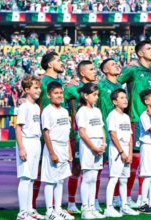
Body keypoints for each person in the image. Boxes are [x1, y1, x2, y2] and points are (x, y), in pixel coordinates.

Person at [117, 40, 151, 207]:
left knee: (148, 161)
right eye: (148, 48)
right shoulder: (133, 69)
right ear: (140, 53)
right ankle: (122, 197)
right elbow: (116, 82)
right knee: (135, 160)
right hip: (136, 119)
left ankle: (142, 198)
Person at [33, 52, 65, 211]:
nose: (62, 62)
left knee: (57, 173)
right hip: (44, 132)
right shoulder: (42, 81)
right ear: (50, 64)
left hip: (59, 133)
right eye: (58, 60)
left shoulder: (58, 82)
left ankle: (56, 209)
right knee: (38, 171)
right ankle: (31, 208)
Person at [66, 60, 98, 213]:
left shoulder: (97, 89)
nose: (95, 71)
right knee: (77, 168)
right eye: (91, 69)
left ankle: (93, 202)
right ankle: (71, 202)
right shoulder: (73, 89)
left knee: (94, 169)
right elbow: (58, 95)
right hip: (79, 135)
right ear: (82, 72)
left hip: (96, 135)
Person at [40, 81, 74, 220]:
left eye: (61, 93)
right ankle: (49, 211)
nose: (59, 95)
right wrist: (52, 152)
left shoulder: (65, 111)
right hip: (53, 147)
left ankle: (58, 208)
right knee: (50, 180)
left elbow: (66, 132)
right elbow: (46, 133)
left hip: (63, 148)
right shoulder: (47, 111)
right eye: (56, 93)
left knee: (60, 180)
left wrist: (69, 150)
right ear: (49, 95)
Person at [105, 89, 139, 217]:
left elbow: (130, 137)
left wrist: (129, 154)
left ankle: (124, 205)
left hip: (126, 152)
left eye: (125, 97)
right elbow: (113, 135)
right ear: (114, 101)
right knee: (114, 178)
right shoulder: (112, 115)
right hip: (117, 151)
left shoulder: (126, 117)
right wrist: (122, 152)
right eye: (121, 97)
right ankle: (109, 207)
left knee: (124, 180)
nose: (125, 100)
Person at [75, 83, 106, 219]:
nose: (97, 97)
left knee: (94, 178)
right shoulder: (82, 111)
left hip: (99, 144)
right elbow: (82, 132)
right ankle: (85, 209)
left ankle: (92, 207)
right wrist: (93, 147)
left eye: (97, 94)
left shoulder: (97, 111)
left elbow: (101, 128)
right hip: (88, 145)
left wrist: (103, 144)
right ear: (86, 96)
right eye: (94, 95)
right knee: (87, 177)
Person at [15, 75, 43, 220]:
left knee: (32, 178)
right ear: (27, 89)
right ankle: (22, 213)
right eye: (35, 88)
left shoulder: (36, 107)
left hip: (36, 142)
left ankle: (30, 209)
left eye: (39, 87)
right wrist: (21, 148)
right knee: (25, 178)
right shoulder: (24, 107)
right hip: (26, 142)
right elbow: (18, 128)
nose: (39, 90)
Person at [97, 58, 122, 208]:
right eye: (112, 64)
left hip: (119, 131)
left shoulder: (120, 86)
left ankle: (116, 198)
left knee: (118, 167)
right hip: (104, 131)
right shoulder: (100, 85)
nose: (116, 65)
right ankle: (93, 200)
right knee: (98, 168)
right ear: (105, 70)